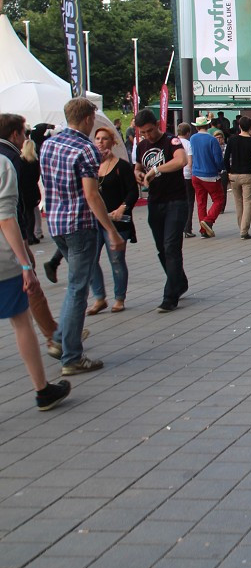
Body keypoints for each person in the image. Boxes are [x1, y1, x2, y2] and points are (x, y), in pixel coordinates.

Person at [40, 98, 125, 371]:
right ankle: (71, 355)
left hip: (55, 225)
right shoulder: (86, 148)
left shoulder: (49, 144)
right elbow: (92, 194)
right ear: (89, 118)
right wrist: (111, 231)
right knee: (77, 289)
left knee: (75, 285)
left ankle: (61, 339)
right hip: (80, 225)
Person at [0, 147, 71, 411]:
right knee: (21, 322)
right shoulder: (3, 164)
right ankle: (42, 390)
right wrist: (25, 264)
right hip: (3, 261)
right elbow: (6, 218)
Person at [133, 108, 190, 312]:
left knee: (171, 246)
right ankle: (179, 281)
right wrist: (139, 173)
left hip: (175, 200)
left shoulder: (170, 141)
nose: (147, 135)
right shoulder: (141, 146)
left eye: (149, 130)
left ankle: (170, 295)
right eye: (143, 132)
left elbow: (181, 160)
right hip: (155, 202)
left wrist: (156, 170)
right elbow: (138, 166)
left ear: (157, 124)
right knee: (161, 248)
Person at [86, 127, 137, 315]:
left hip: (117, 220)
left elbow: (132, 191)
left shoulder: (121, 166)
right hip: (93, 221)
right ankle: (99, 297)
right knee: (90, 260)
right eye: (97, 139)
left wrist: (123, 207)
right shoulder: (90, 165)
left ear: (112, 141)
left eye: (105, 139)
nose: (100, 142)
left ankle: (119, 298)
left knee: (116, 259)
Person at [223, 116, 251, 240]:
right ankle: (244, 230)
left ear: (239, 126)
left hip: (234, 174)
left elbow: (226, 158)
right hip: (248, 174)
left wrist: (228, 171)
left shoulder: (232, 140)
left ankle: (241, 227)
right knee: (247, 202)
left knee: (238, 202)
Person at [189, 117, 225, 238]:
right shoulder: (212, 140)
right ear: (208, 126)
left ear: (196, 127)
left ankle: (203, 229)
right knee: (219, 200)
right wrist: (220, 169)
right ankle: (209, 221)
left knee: (201, 203)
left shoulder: (193, 138)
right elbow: (218, 159)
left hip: (196, 173)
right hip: (210, 174)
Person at [177, 123, 196, 238]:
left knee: (177, 202)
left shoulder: (173, 142)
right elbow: (190, 162)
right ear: (188, 133)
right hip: (187, 176)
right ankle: (187, 228)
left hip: (175, 176)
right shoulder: (188, 144)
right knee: (189, 202)